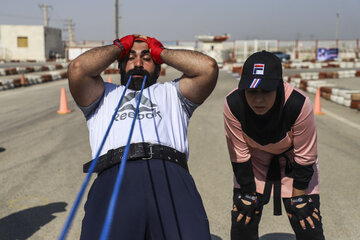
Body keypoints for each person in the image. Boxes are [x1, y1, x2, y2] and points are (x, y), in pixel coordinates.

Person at [68, 34, 218, 239]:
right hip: (114, 177)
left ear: (158, 68)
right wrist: (119, 47)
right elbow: (78, 69)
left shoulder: (173, 93)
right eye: (130, 58)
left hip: (171, 176)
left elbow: (207, 68)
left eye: (147, 59)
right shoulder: (102, 93)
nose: (138, 63)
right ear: (120, 65)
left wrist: (161, 52)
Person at [223, 50, 325, 240]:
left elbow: (305, 155)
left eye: (266, 91)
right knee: (243, 219)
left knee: (307, 221)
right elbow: (239, 153)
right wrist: (247, 192)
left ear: (279, 86)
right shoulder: (233, 103)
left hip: (294, 163)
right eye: (252, 92)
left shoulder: (298, 104)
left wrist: (299, 196)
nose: (258, 99)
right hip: (253, 163)